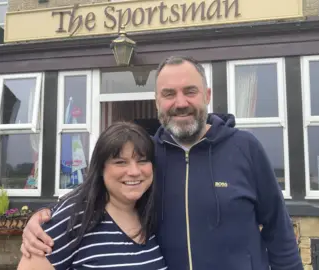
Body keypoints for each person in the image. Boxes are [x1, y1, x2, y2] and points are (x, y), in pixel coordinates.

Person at [20, 56, 303, 270]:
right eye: (169, 94)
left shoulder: (246, 148)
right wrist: (45, 214)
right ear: (157, 102)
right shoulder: (148, 157)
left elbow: (280, 231)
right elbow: (102, 188)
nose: (180, 102)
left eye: (190, 91)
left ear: (207, 96)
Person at [17, 121, 167, 270]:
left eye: (142, 161)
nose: (134, 171)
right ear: (101, 169)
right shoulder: (75, 217)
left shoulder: (151, 214)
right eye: (121, 162)